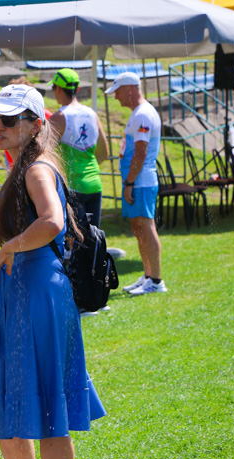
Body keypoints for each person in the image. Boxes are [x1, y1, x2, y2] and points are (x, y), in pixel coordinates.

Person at [0, 84, 106, 459]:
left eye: (10, 121)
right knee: (20, 400)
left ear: (36, 123)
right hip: (29, 291)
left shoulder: (35, 169)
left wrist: (9, 247)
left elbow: (51, 221)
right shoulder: (26, 164)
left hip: (38, 291)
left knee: (50, 407)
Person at [106, 72, 166, 296]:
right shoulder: (138, 114)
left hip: (141, 181)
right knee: (138, 228)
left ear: (130, 89)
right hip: (136, 181)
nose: (115, 97)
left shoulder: (142, 115)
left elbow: (140, 152)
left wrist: (130, 182)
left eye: (118, 92)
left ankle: (157, 280)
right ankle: (148, 275)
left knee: (146, 227)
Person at [48, 68, 109, 227]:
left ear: (58, 89)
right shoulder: (92, 114)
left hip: (72, 187)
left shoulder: (59, 117)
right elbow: (103, 153)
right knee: (92, 241)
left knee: (72, 243)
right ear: (78, 89)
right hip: (94, 184)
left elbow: (43, 153)